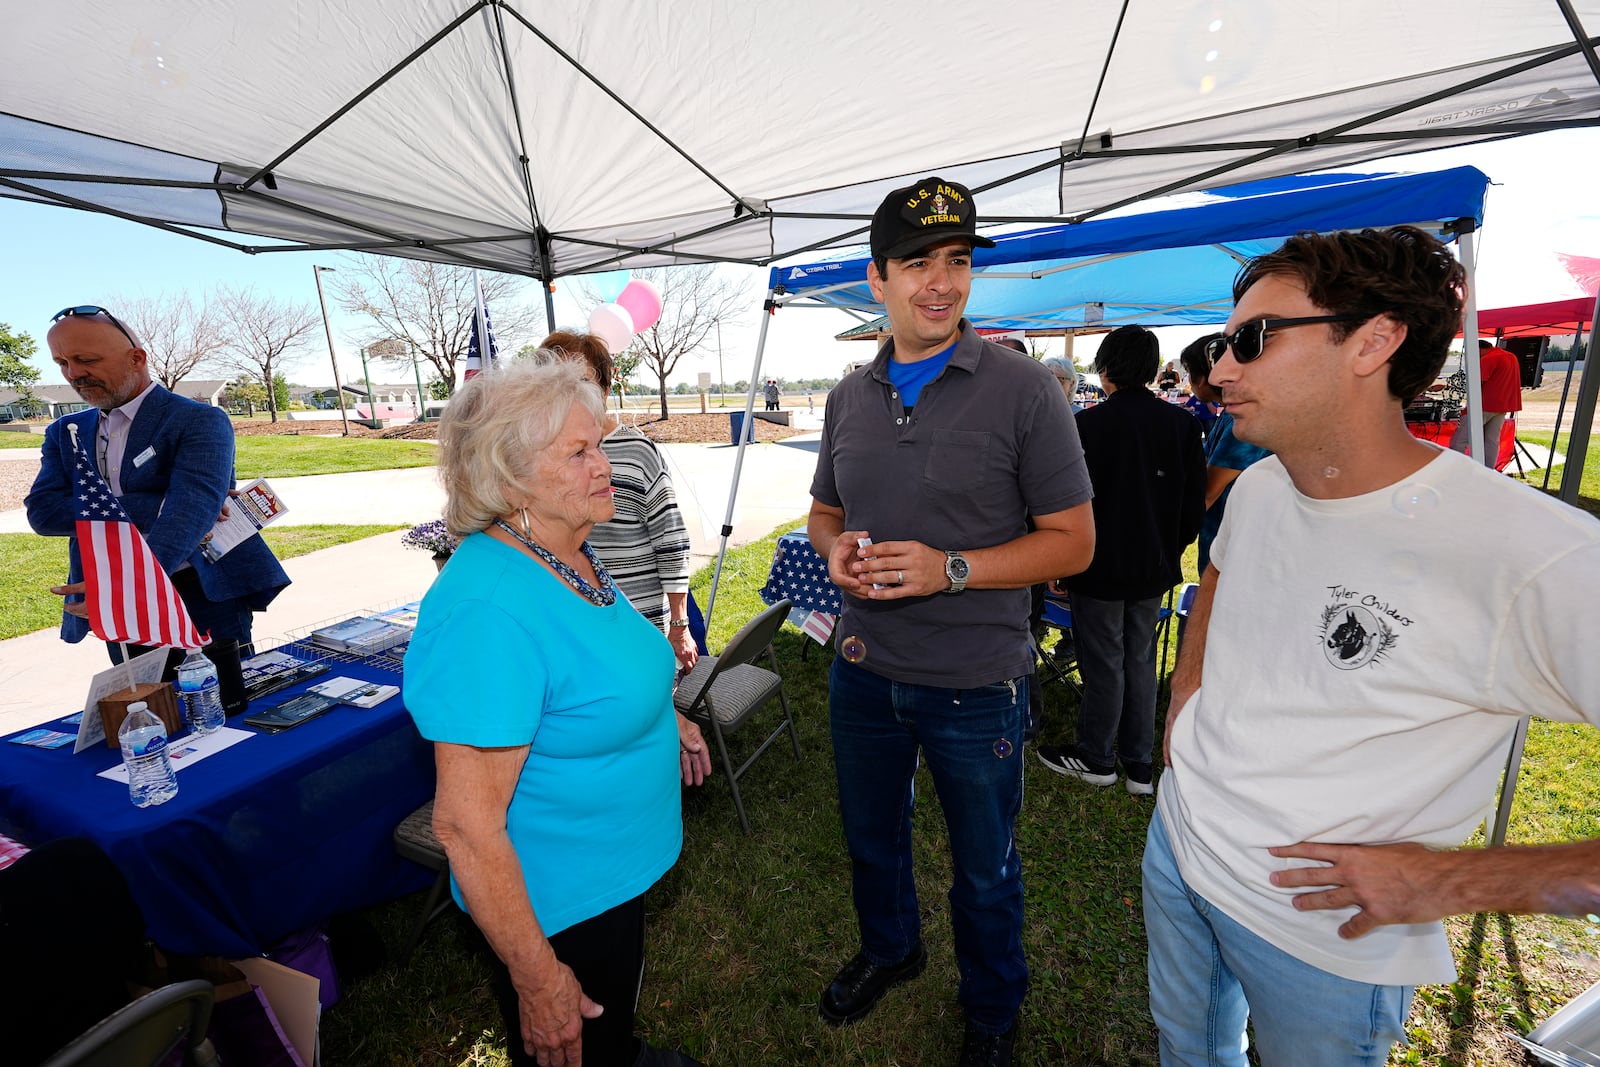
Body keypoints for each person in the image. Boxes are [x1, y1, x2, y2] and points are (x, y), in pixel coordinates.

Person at [1149, 226, 1600, 1066]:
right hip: (1179, 845)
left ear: (1375, 341)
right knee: (1187, 1049)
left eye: (1251, 339)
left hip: (1324, 934)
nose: (1218, 369)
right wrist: (1186, 710)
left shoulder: (1531, 552)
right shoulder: (1259, 487)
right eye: (1223, 341)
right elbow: (1217, 580)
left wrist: (1449, 881)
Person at [808, 176, 1095, 1066]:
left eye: (959, 261)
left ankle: (992, 1006)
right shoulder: (848, 396)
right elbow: (824, 508)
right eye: (919, 262)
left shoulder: (1024, 389)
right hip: (862, 668)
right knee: (872, 839)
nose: (943, 281)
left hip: (977, 684)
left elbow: (1076, 542)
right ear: (877, 278)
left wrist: (954, 568)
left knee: (986, 868)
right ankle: (892, 949)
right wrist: (833, 550)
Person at [404, 358, 710, 1067]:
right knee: (576, 1038)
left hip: (609, 876)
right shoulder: (488, 607)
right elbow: (467, 826)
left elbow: (595, 673)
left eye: (598, 443)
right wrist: (538, 977)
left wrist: (666, 720)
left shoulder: (565, 548)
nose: (605, 465)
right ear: (509, 478)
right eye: (579, 452)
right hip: (558, 909)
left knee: (608, 1028)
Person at [25, 306, 289, 667]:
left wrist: (126, 585)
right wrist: (158, 503)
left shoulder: (199, 420)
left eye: (86, 359)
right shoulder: (64, 432)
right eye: (62, 363)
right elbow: (43, 514)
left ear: (136, 358)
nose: (75, 374)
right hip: (113, 599)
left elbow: (190, 512)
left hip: (198, 588)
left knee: (224, 701)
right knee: (148, 702)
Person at [1037, 326, 1203, 796]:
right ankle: (1139, 764)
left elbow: (1067, 503)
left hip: (1099, 565)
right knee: (1140, 657)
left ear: (1105, 368)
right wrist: (1171, 548)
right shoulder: (1183, 425)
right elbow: (1192, 504)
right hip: (1154, 564)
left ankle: (1096, 756)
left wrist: (1062, 562)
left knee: (1105, 659)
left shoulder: (1088, 426)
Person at [542, 330, 697, 671]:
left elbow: (671, 541)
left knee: (650, 712)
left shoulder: (637, 451)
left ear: (605, 390)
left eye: (582, 383)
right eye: (557, 384)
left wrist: (679, 625)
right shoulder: (540, 458)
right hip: (573, 630)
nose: (572, 395)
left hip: (638, 624)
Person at [1178, 333, 1271, 573]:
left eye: (1190, 371)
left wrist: (1172, 538)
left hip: (1235, 552)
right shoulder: (1228, 416)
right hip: (1219, 541)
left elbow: (1209, 490)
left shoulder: (1246, 419)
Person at [1447, 338, 1523, 458]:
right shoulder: (1510, 356)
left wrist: (1448, 386)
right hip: (1502, 406)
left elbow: (1476, 383)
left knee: (1460, 441)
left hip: (1484, 405)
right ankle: (1488, 471)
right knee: (1491, 441)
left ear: (1478, 349)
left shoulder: (1488, 358)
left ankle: (1455, 471)